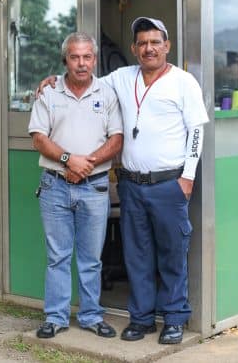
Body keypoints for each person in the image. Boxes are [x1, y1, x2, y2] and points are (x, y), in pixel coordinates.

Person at [37, 18, 208, 345]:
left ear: (167, 46)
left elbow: (197, 131)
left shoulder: (184, 82)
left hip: (169, 184)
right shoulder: (121, 77)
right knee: (137, 255)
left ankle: (174, 319)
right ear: (134, 49)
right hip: (131, 186)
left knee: (172, 255)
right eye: (142, 43)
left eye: (155, 42)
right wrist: (53, 80)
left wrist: (187, 177)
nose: (149, 48)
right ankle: (141, 319)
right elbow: (83, 78)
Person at [28, 32, 124, 340]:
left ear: (94, 59)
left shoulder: (107, 93)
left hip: (94, 187)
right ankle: (55, 318)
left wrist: (87, 164)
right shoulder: (49, 92)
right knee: (57, 256)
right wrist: (70, 160)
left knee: (91, 259)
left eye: (86, 57)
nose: (81, 63)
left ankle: (91, 316)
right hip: (54, 186)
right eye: (74, 57)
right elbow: (39, 138)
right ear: (65, 60)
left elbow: (117, 139)